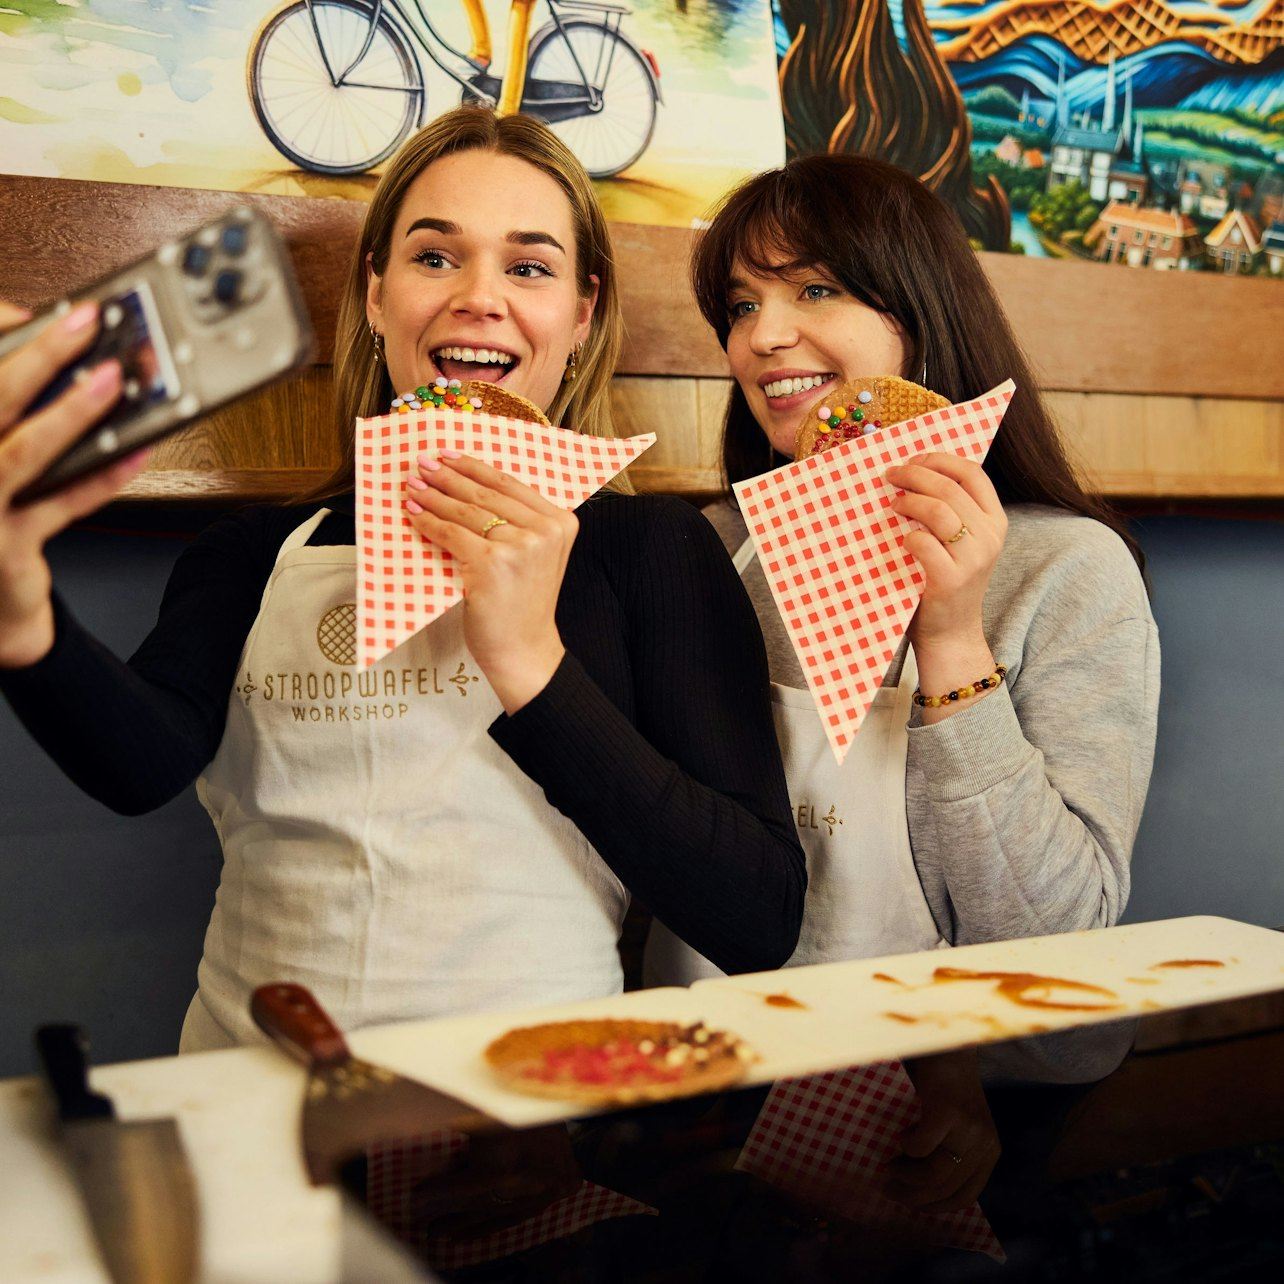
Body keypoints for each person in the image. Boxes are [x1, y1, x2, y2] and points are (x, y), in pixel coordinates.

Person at [0, 107, 806, 1054]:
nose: (478, 296)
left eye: (529, 265)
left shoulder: (647, 549)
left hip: (537, 1123)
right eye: (434, 257)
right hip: (253, 1098)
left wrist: (533, 665)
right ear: (376, 296)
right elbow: (139, 768)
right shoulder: (253, 550)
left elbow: (756, 918)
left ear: (581, 317)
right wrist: (23, 618)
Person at [645, 152, 1160, 1212]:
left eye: (816, 288)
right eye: (739, 305)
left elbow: (1060, 943)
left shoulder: (1064, 569)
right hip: (711, 1085)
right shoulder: (705, 553)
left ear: (919, 315)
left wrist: (954, 635)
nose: (763, 336)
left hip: (992, 1107)